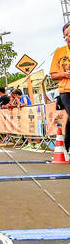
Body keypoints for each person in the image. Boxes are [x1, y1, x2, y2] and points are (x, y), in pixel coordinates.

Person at [50, 21, 70, 158]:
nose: (69, 36)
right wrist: (64, 74)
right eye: (67, 34)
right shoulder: (60, 52)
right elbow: (53, 75)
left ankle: (65, 148)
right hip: (66, 91)